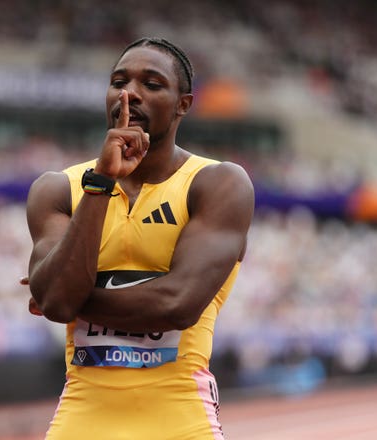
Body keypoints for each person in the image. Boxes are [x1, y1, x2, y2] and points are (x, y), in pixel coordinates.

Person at [24, 37, 254, 439]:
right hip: (82, 419)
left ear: (183, 103)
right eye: (119, 81)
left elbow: (177, 305)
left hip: (180, 419)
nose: (130, 93)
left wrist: (70, 298)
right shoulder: (58, 189)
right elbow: (58, 300)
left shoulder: (217, 183)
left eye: (151, 83)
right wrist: (101, 183)